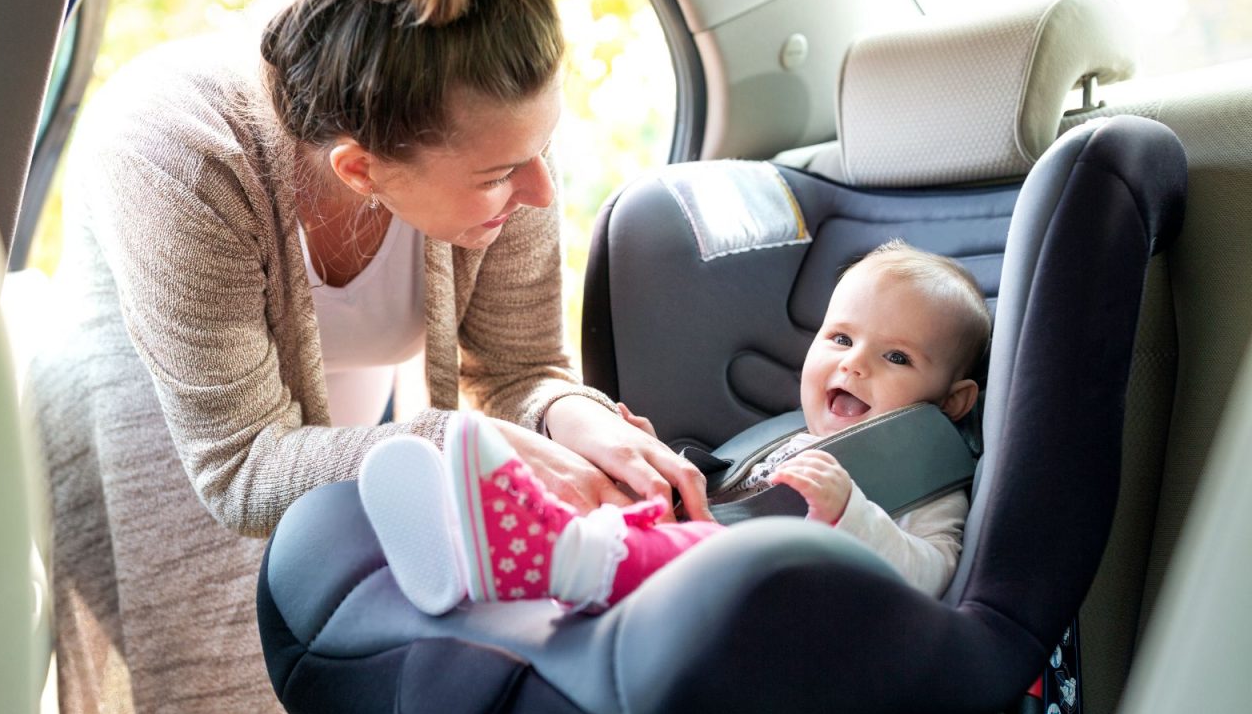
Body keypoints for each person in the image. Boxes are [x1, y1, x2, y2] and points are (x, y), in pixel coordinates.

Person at [28, 0, 712, 714]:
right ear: (359, 171)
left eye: (540, 152)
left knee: (358, 710)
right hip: (164, 452)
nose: (540, 190)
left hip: (336, 427)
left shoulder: (492, 133)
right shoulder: (178, 154)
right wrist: (465, 451)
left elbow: (517, 367)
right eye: (504, 174)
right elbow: (240, 469)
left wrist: (578, 421)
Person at [359, 241, 992, 614]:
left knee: (642, 541)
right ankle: (463, 541)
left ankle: (545, 554)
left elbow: (933, 576)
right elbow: (734, 506)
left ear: (954, 400)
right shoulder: (794, 439)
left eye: (897, 357)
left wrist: (852, 512)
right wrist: (654, 456)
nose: (854, 362)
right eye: (842, 337)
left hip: (770, 606)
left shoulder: (924, 474)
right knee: (619, 492)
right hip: (717, 557)